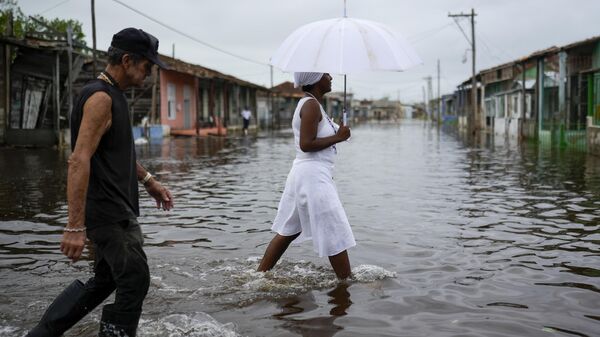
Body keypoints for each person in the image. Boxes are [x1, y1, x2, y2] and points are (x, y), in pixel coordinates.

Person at [26, 28, 173, 337]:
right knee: (135, 278)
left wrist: (148, 180)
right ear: (127, 60)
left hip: (115, 207)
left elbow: (114, 153)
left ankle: (43, 333)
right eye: (147, 66)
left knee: (106, 279)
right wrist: (75, 226)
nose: (149, 74)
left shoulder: (113, 95)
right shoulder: (100, 98)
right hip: (107, 212)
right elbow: (79, 160)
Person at [257, 72, 355, 279]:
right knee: (333, 229)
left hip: (307, 173)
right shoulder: (310, 105)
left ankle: (258, 277)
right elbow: (307, 144)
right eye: (325, 74)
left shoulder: (313, 104)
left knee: (288, 230)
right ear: (315, 79)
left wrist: (340, 134)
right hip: (312, 175)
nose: (330, 76)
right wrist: (338, 137)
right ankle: (346, 284)